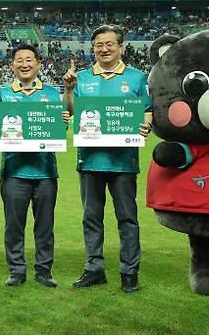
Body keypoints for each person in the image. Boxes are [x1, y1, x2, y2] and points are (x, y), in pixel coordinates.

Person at [63, 25, 153, 293]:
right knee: (91, 218)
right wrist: (68, 91)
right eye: (98, 45)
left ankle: (129, 273)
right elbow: (71, 113)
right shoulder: (80, 78)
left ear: (120, 47)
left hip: (124, 161)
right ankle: (94, 269)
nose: (104, 49)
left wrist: (145, 126)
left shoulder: (137, 78)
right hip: (90, 160)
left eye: (109, 44)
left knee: (127, 218)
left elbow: (146, 111)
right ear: (93, 49)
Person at [0, 44, 68, 288]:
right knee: (14, 225)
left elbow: (61, 127)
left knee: (45, 226)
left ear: (39, 63)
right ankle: (16, 270)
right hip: (13, 170)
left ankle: (43, 271)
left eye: (29, 59)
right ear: (13, 66)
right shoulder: (3, 93)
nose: (24, 64)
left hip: (45, 171)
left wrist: (62, 119)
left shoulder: (52, 94)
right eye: (19, 60)